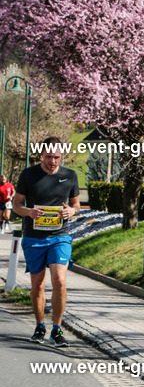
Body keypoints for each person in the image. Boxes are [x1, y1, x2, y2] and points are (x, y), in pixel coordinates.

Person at [13, 136, 80, 346]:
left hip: (60, 236)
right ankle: (40, 326)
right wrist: (28, 212)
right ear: (41, 154)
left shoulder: (70, 175)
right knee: (38, 284)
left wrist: (72, 211)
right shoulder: (28, 175)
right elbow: (16, 204)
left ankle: (57, 329)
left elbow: (76, 205)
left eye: (57, 157)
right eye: (49, 156)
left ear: (62, 155)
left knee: (59, 280)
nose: (52, 161)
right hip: (34, 238)